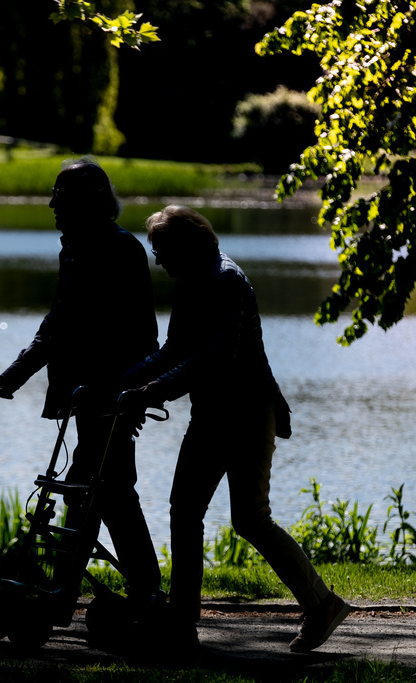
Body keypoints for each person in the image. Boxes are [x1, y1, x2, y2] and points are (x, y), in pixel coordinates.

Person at [121, 205, 351, 653]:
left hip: (244, 413)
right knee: (188, 511)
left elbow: (215, 354)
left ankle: (320, 605)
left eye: (161, 250)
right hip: (213, 414)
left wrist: (153, 390)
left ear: (185, 245)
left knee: (246, 518)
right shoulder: (192, 281)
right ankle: (183, 622)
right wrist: (124, 380)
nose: (158, 260)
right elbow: (174, 350)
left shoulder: (224, 280)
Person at [0, 157, 162, 613]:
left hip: (112, 396)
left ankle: (137, 593)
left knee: (105, 490)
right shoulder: (75, 249)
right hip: (83, 394)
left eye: (59, 195)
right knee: (93, 490)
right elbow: (60, 320)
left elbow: (143, 334)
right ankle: (70, 592)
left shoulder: (121, 249)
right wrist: (21, 368)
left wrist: (128, 396)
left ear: (87, 201)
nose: (51, 203)